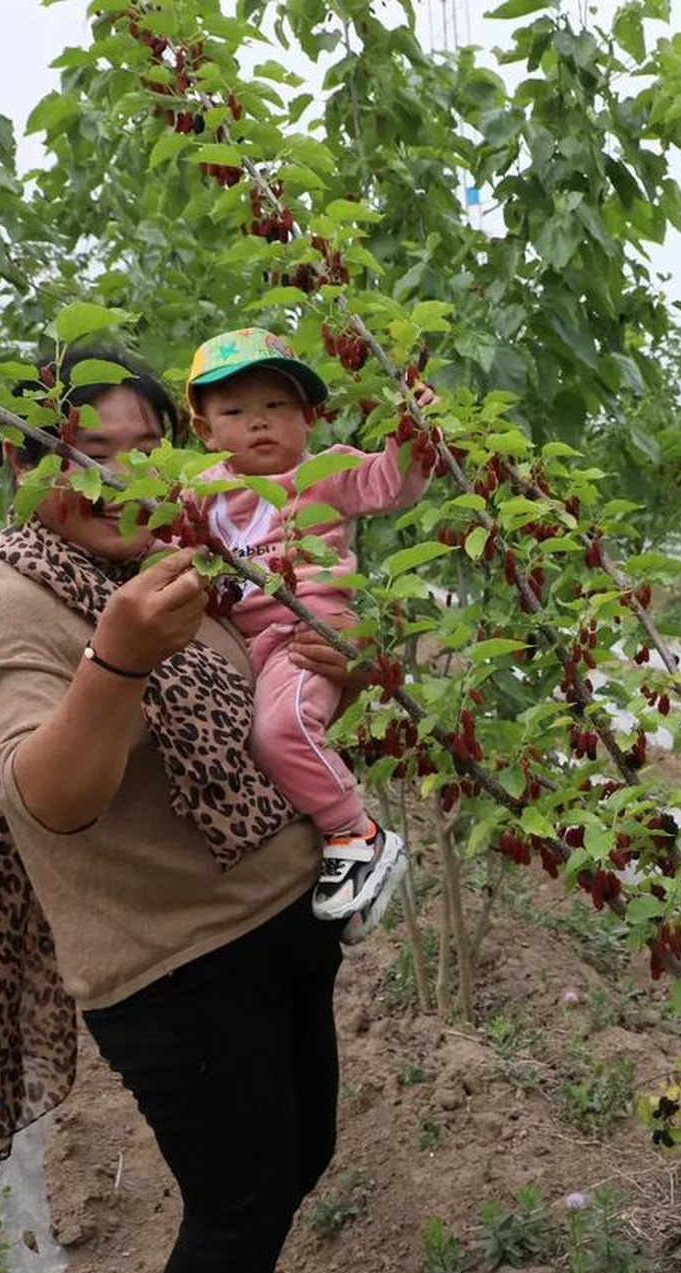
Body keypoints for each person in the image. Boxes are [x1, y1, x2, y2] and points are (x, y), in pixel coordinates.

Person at [0, 348, 367, 1273]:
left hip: (282, 922)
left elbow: (260, 712)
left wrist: (351, 679)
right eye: (87, 452)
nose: (120, 478)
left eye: (147, 450)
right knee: (239, 1206)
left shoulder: (185, 566)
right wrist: (118, 660)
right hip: (178, 969)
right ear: (23, 467)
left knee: (300, 1161)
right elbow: (47, 799)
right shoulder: (6, 606)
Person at [184, 326, 429, 926]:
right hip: (251, 647)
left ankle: (357, 835)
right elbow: (165, 547)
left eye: (277, 407)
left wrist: (412, 432)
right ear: (204, 430)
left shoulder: (325, 472)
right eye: (236, 410)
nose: (259, 423)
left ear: (309, 418)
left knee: (282, 729)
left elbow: (389, 483)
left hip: (311, 633)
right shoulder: (196, 495)